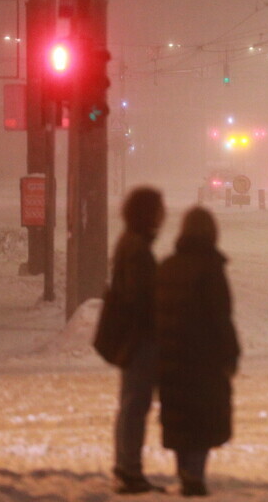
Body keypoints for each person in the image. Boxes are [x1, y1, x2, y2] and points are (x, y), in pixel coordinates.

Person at [156, 206, 240, 497]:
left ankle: (184, 471)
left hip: (171, 357)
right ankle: (195, 474)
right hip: (204, 359)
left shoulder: (167, 267)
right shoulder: (211, 269)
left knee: (179, 416)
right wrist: (230, 354)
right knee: (202, 419)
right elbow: (220, 316)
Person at [109, 187, 167, 495]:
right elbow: (139, 296)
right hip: (139, 338)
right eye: (158, 209)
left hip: (134, 336)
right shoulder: (136, 248)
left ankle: (127, 465)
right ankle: (129, 469)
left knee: (131, 403)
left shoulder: (130, 242)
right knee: (135, 404)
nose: (163, 214)